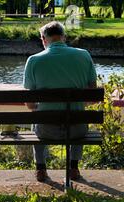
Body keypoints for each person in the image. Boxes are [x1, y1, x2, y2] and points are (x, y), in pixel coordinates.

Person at [23, 21, 97, 182]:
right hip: (77, 130)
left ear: (43, 39)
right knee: (78, 114)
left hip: (46, 130)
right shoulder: (84, 55)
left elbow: (29, 103)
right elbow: (92, 97)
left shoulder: (33, 60)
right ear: (64, 37)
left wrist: (38, 107)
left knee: (36, 117)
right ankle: (74, 167)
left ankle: (41, 169)